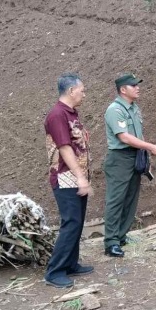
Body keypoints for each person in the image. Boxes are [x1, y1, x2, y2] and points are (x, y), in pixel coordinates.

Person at [103, 73, 156, 257]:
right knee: (115, 200)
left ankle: (121, 236)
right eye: (133, 85)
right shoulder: (115, 110)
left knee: (130, 198)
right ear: (123, 90)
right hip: (120, 159)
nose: (138, 87)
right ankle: (111, 242)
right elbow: (124, 137)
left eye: (137, 84)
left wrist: (145, 155)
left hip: (135, 156)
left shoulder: (134, 108)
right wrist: (151, 147)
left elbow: (138, 134)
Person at [44, 72, 94, 288]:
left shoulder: (71, 113)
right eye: (82, 90)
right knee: (71, 223)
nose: (84, 94)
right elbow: (64, 148)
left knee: (78, 221)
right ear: (71, 90)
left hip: (76, 176)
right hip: (65, 177)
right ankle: (54, 272)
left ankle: (71, 263)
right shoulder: (57, 115)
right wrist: (80, 177)